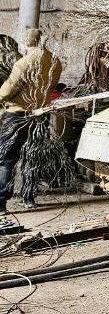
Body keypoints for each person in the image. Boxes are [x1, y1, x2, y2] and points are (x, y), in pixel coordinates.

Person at [0, 29, 63, 212]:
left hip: (18, 116)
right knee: (33, 157)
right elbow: (51, 87)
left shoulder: (23, 63)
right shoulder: (55, 62)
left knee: (6, 159)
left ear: (27, 43)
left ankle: (1, 202)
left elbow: (8, 90)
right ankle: (29, 198)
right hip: (40, 115)